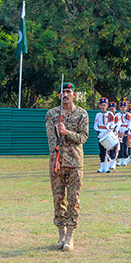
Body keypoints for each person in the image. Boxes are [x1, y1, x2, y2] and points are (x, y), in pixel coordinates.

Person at [45, 82, 88, 251]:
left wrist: (66, 132)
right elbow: (50, 139)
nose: (66, 94)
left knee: (73, 199)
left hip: (74, 163)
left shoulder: (81, 114)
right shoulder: (52, 114)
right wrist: (57, 132)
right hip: (57, 162)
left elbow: (83, 137)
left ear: (74, 95)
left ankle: (70, 234)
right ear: (58, 95)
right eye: (63, 91)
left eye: (69, 91)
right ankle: (61, 233)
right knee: (58, 199)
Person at [93, 98, 114, 173]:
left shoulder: (110, 114)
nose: (103, 107)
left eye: (104, 105)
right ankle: (102, 167)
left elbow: (112, 124)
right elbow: (95, 125)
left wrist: (109, 131)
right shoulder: (98, 115)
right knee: (101, 151)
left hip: (107, 133)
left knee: (107, 151)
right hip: (101, 134)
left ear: (107, 106)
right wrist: (98, 132)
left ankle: (107, 167)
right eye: (102, 105)